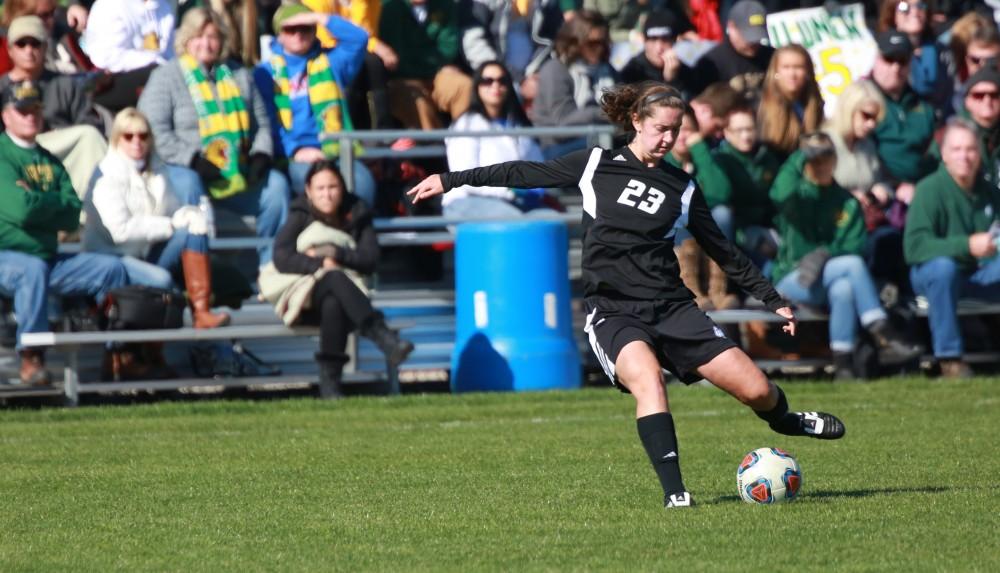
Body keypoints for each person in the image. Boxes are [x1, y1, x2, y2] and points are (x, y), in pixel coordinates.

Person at [408, 82, 847, 509]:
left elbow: (722, 249)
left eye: (676, 130)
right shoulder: (596, 164)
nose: (668, 138)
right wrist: (450, 179)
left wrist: (772, 299)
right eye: (661, 129)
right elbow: (523, 173)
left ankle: (788, 421)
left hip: (673, 307)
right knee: (649, 381)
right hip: (614, 311)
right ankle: (676, 493)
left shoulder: (683, 188)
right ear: (637, 121)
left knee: (755, 391)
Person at [139, 7, 290, 269]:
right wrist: (193, 160)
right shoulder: (166, 77)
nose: (206, 44)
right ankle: (197, 272)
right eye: (199, 36)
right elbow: (155, 131)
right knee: (188, 183)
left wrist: (260, 154)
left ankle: (271, 267)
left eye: (213, 37)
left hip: (235, 169)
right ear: (186, 39)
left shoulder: (240, 75)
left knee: (275, 186)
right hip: (185, 169)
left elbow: (262, 125)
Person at [0, 79, 128, 385]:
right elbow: (20, 210)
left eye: (35, 109)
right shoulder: (3, 155)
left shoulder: (49, 160)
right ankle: (32, 357)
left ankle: (119, 355)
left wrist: (36, 200)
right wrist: (47, 207)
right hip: (9, 258)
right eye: (22, 110)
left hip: (47, 258)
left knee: (111, 268)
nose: (30, 115)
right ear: (6, 115)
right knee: (31, 271)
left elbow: (71, 215)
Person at [769, 132, 923, 379]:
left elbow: (855, 244)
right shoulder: (797, 195)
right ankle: (882, 330)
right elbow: (778, 193)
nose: (821, 163)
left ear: (835, 159)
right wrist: (801, 154)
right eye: (814, 158)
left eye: (826, 156)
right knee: (851, 266)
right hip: (793, 278)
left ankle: (843, 364)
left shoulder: (846, 201)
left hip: (830, 278)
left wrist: (825, 255)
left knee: (844, 288)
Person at [266, 160, 414, 399]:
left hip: (347, 303)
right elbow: (281, 257)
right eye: (320, 188)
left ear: (342, 188)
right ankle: (382, 336)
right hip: (304, 300)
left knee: (334, 302)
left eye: (333, 187)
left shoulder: (357, 210)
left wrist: (336, 253)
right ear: (308, 191)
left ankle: (330, 385)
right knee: (333, 277)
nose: (327, 194)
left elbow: (370, 259)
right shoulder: (300, 214)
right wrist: (320, 264)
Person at [83, 107, 230, 329]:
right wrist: (170, 225)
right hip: (114, 257)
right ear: (116, 139)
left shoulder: (157, 169)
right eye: (128, 136)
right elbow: (120, 232)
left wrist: (188, 215)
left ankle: (201, 311)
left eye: (143, 136)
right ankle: (148, 351)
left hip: (147, 250)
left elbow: (172, 211)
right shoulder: (106, 174)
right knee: (162, 280)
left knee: (195, 226)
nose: (136, 142)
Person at [253, 4, 376, 206]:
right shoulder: (264, 73)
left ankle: (352, 235)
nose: (298, 34)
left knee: (363, 184)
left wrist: (320, 18)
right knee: (316, 184)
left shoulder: (332, 61)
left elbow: (359, 39)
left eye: (305, 27)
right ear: (279, 34)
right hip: (291, 156)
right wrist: (296, 151)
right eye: (290, 29)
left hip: (335, 150)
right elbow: (267, 124)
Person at [905, 118, 1000, 379]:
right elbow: (914, 248)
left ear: (979, 154)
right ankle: (950, 359)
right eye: (956, 149)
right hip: (932, 275)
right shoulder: (928, 190)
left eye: (970, 149)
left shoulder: (990, 191)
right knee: (944, 268)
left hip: (978, 273)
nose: (964, 156)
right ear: (944, 154)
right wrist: (967, 245)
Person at [0, 16, 107, 200]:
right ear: (9, 49)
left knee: (89, 135)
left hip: (62, 149)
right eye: (21, 44)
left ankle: (94, 208)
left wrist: (60, 132)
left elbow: (90, 123)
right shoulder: (2, 88)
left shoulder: (65, 84)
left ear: (45, 47)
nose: (29, 50)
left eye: (35, 44)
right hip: (15, 152)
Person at [444, 60, 550, 218]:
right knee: (515, 222)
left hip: (515, 201)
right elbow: (463, 177)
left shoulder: (519, 125)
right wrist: (509, 190)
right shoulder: (466, 124)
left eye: (502, 81)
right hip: (466, 201)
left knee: (554, 220)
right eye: (487, 81)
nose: (495, 86)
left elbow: (538, 166)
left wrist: (537, 188)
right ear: (477, 86)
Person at [666, 104, 737, 310]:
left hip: (705, 227)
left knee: (722, 214)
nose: (681, 136)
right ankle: (692, 290)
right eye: (675, 129)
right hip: (675, 231)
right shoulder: (662, 161)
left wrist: (699, 150)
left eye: (687, 129)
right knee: (682, 217)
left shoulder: (704, 157)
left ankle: (717, 291)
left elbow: (721, 192)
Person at [531, 9, 617, 159]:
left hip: (600, 140)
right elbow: (563, 123)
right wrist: (605, 113)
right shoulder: (555, 69)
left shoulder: (606, 70)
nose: (600, 49)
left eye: (604, 43)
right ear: (575, 41)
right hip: (557, 148)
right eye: (593, 43)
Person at [378, 0, 473, 130]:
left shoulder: (445, 4)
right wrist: (432, 66)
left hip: (439, 73)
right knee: (417, 101)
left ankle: (465, 140)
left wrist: (438, 67)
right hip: (403, 77)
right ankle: (433, 144)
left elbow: (449, 46)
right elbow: (396, 57)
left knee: (463, 86)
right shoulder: (389, 6)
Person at [869, 29, 937, 208]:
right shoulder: (861, 101)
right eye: (889, 60)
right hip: (879, 193)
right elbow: (859, 152)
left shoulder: (924, 106)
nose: (895, 68)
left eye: (902, 61)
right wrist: (895, 185)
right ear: (876, 61)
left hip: (923, 192)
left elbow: (936, 152)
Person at [302, 0, 395, 129]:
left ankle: (385, 131)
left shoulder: (368, 3)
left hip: (356, 48)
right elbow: (326, 37)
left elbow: (362, 34)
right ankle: (344, 129)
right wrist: (374, 44)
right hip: (324, 50)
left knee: (374, 63)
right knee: (353, 66)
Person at [713, 103, 781, 273]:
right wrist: (755, 241)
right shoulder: (720, 160)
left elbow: (777, 202)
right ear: (727, 133)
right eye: (739, 130)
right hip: (739, 234)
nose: (746, 136)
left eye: (750, 129)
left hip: (766, 228)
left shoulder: (767, 159)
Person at [692, 0, 774, 102]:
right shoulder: (712, 63)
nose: (753, 43)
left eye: (757, 37)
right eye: (748, 36)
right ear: (731, 27)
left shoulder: (773, 57)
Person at [757, 44, 824, 159]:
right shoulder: (760, 106)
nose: (792, 74)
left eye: (798, 67)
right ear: (776, 71)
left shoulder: (815, 104)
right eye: (786, 67)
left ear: (807, 71)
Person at [878, 0, 947, 107]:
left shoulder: (942, 52)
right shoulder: (879, 50)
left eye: (920, 5)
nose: (915, 11)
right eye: (904, 6)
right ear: (892, 13)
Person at [619, 10, 699, 100]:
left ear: (675, 41)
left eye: (665, 39)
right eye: (653, 39)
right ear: (644, 41)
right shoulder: (632, 72)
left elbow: (688, 108)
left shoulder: (684, 71)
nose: (659, 48)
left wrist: (673, 81)